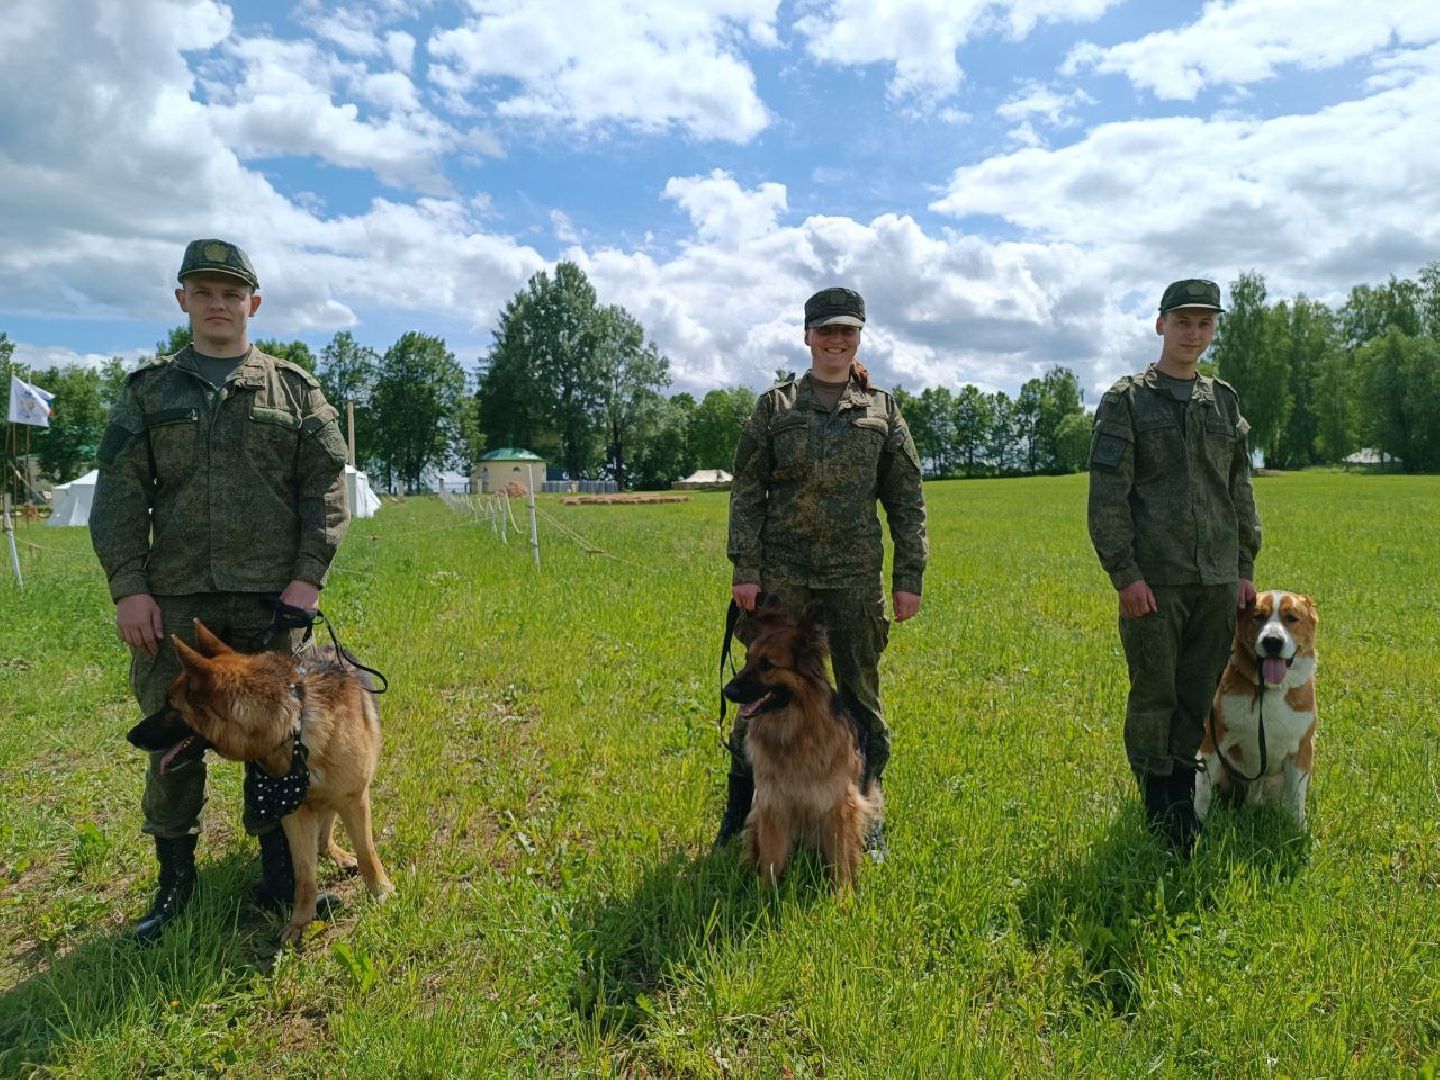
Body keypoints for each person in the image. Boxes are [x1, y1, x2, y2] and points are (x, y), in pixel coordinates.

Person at [91, 239, 350, 941]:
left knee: (279, 744)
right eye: (203, 291)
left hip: (273, 603)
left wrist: (308, 574)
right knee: (175, 741)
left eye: (231, 293)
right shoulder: (149, 393)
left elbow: (326, 486)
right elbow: (118, 496)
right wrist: (128, 589)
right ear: (182, 300)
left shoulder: (293, 390)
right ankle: (174, 883)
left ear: (252, 305)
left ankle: (277, 875)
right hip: (176, 604)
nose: (217, 304)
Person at [720, 286, 928, 857]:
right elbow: (748, 489)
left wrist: (909, 575)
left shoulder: (882, 409)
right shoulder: (775, 407)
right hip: (782, 582)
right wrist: (747, 568)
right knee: (758, 695)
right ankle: (742, 809)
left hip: (853, 577)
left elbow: (906, 498)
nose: (837, 340)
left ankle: (866, 812)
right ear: (807, 335)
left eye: (847, 331)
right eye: (826, 330)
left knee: (860, 697)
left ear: (858, 336)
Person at [1087, 278, 1262, 855]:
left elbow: (1239, 489)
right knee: (1154, 691)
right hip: (1155, 579)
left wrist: (1244, 564)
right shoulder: (1127, 400)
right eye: (1183, 321)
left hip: (1215, 578)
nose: (1194, 332)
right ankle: (1156, 799)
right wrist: (1125, 573)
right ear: (1160, 325)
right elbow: (1109, 495)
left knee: (1196, 692)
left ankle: (1180, 789)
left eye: (1205, 323)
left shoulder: (1224, 400)